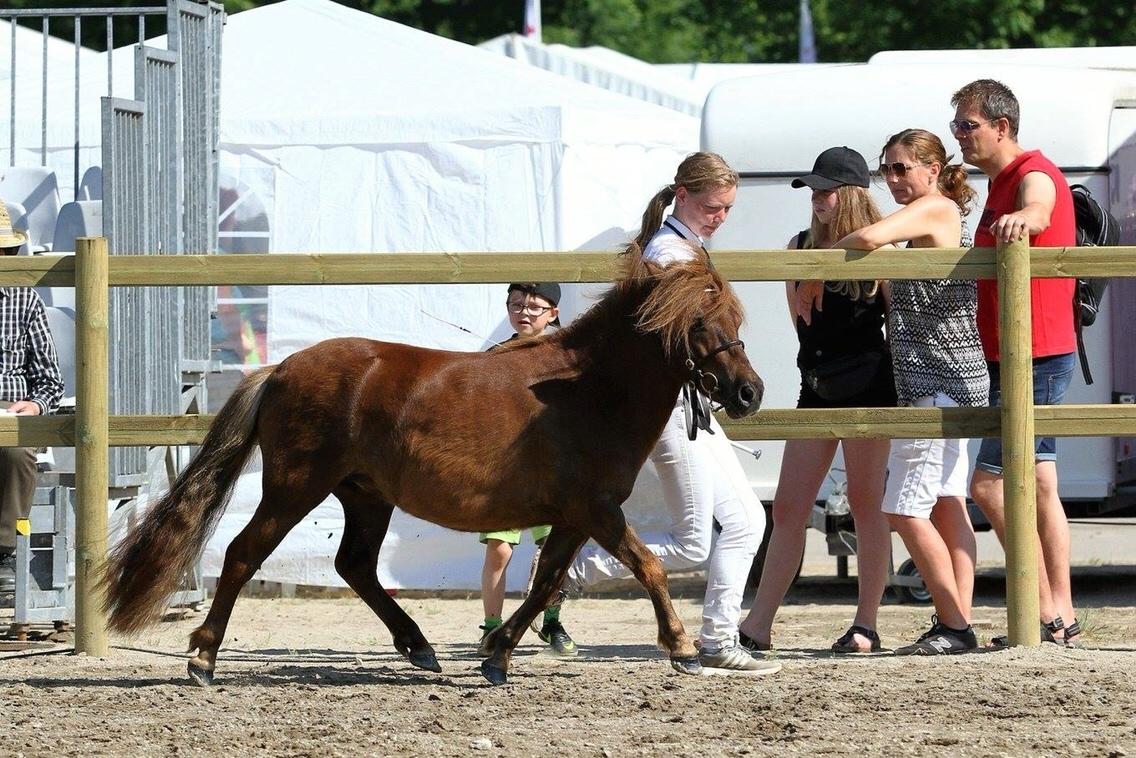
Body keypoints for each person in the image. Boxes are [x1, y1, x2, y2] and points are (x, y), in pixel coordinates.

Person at [563, 152, 779, 676]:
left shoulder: (686, 247)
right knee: (692, 542)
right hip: (674, 411)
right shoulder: (670, 254)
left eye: (727, 208)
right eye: (712, 206)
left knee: (747, 520)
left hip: (691, 408)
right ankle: (565, 569)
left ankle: (719, 639)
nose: (720, 217)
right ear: (682, 195)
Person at [833, 129, 988, 654]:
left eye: (902, 168)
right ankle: (957, 619)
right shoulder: (936, 214)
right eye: (887, 169)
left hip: (936, 383)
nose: (893, 178)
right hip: (953, 380)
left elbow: (866, 239)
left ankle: (955, 626)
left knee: (902, 507)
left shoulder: (935, 208)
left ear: (932, 169)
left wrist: (817, 260)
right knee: (946, 504)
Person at [737, 146, 894, 654]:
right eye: (813, 190)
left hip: (870, 388)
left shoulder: (880, 248)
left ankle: (866, 624)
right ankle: (758, 624)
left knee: (867, 505)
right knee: (788, 506)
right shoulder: (798, 244)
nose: (817, 198)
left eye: (827, 190)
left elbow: (897, 324)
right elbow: (801, 326)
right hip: (818, 385)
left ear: (851, 194)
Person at [951, 79, 1081, 646]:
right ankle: (1063, 615)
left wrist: (1025, 218)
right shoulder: (998, 180)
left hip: (1034, 353)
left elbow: (1041, 205)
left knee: (989, 486)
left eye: (968, 125)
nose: (959, 135)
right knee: (1041, 483)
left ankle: (1044, 610)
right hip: (1019, 352)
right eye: (956, 125)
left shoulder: (1032, 171)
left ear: (1001, 127)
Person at [477, 282, 576, 657]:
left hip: (552, 472)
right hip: (505, 471)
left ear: (553, 313)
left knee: (555, 549)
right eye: (516, 305)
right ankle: (491, 627)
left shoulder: (567, 357)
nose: (523, 312)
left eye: (534, 307)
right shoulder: (495, 355)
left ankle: (551, 621)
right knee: (499, 550)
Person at [0, 200, 64, 594]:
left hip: (12, 411)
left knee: (14, 451)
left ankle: (4, 550)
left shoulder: (26, 301)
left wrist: (36, 405)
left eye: (4, 252)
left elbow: (51, 381)